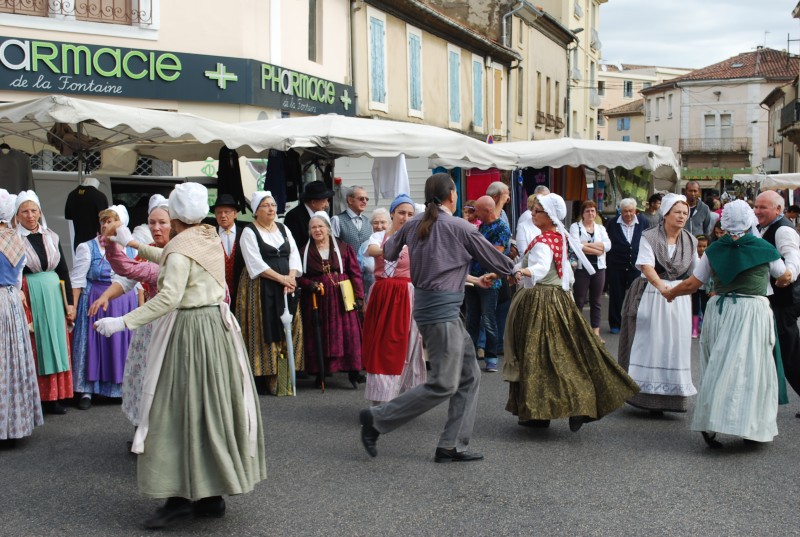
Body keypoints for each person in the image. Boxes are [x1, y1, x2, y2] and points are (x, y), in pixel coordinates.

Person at [94, 183, 266, 529]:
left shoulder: (182, 247)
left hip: (189, 332)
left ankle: (177, 498)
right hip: (216, 331)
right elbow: (171, 256)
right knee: (211, 409)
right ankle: (211, 495)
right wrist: (133, 244)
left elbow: (168, 295)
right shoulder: (207, 237)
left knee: (173, 410)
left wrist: (122, 322)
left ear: (173, 215)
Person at [358, 173, 515, 463]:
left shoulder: (414, 223)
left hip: (436, 309)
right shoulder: (459, 226)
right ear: (451, 196)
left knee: (469, 376)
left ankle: (450, 445)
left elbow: (389, 252)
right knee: (444, 383)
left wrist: (400, 228)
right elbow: (495, 258)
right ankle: (377, 418)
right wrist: (516, 270)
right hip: (442, 312)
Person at [504, 193, 639, 431]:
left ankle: (545, 411)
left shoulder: (545, 241)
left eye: (537, 211)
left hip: (541, 301)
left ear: (550, 215)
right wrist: (513, 268)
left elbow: (540, 267)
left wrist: (522, 273)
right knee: (562, 355)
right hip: (559, 299)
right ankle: (547, 411)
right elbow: (563, 269)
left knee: (537, 357)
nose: (533, 214)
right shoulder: (559, 237)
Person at [663, 200, 792, 448]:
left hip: (720, 310)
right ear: (749, 222)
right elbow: (783, 275)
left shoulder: (714, 249)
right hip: (751, 312)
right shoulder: (764, 248)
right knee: (750, 368)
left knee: (718, 366)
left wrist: (671, 293)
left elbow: (693, 283)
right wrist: (789, 270)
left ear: (724, 222)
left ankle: (712, 423)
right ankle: (749, 428)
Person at [89, 194, 171, 427]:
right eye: (152, 222)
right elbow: (127, 280)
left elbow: (134, 271)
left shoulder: (178, 251)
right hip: (151, 323)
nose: (156, 228)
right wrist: (106, 295)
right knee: (144, 376)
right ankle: (143, 428)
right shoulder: (149, 249)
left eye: (162, 223)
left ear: (173, 223)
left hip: (174, 322)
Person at [618, 193, 698, 414]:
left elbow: (696, 271)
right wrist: (662, 287)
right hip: (651, 295)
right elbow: (646, 265)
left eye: (685, 213)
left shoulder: (690, 240)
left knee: (674, 344)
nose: (682, 216)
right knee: (650, 343)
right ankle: (644, 396)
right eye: (677, 212)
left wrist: (685, 288)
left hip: (678, 298)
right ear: (666, 214)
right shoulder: (650, 236)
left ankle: (670, 397)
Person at [69, 205, 138, 410]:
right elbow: (77, 280)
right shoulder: (87, 247)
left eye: (111, 221)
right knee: (94, 344)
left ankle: (118, 390)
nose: (106, 225)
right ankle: (88, 390)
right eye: (104, 221)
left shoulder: (132, 248)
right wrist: (73, 307)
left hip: (124, 301)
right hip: (96, 300)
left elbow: (139, 281)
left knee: (120, 345)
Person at [236, 191, 303, 396]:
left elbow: (294, 254)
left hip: (285, 284)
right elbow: (255, 263)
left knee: (287, 326)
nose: (271, 208)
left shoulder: (283, 228)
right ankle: (269, 375)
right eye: (266, 205)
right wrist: (281, 278)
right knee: (265, 327)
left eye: (273, 205)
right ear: (256, 211)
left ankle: (285, 376)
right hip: (261, 286)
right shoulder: (249, 232)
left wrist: (291, 278)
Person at [16, 190, 75, 415]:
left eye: (34, 210)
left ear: (40, 212)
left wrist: (69, 302)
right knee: (37, 344)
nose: (30, 216)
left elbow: (62, 270)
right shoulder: (15, 238)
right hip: (30, 292)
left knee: (57, 343)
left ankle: (55, 397)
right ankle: (37, 398)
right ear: (17, 215)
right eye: (25, 211)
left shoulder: (51, 235)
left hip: (53, 293)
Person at [362, 194, 425, 403]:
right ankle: (380, 397)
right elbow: (371, 251)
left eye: (409, 214)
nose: (405, 217)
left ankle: (403, 397)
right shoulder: (379, 237)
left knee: (407, 345)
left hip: (406, 295)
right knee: (381, 345)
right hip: (383, 295)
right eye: (401, 212)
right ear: (392, 214)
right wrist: (393, 247)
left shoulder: (417, 239)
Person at [297, 211, 365, 388]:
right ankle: (321, 371)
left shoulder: (343, 247)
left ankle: (353, 371)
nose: (317, 230)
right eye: (313, 227)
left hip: (343, 295)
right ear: (309, 231)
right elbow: (299, 276)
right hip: (318, 298)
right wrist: (310, 284)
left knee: (349, 334)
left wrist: (359, 296)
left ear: (328, 229)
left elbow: (355, 272)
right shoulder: (304, 251)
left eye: (320, 226)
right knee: (320, 334)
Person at [0, 189, 43, 446]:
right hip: (11, 301)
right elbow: (17, 280)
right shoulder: (16, 240)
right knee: (12, 362)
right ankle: (14, 423)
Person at [754, 191, 800, 414]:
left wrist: (789, 273)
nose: (757, 211)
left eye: (763, 207)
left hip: (786, 299)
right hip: (776, 298)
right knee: (783, 350)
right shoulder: (763, 227)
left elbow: (793, 256)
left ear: (779, 210)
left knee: (787, 353)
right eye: (756, 206)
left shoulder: (782, 229)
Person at [465, 195, 511, 373]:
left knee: (489, 319)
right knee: (471, 320)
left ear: (488, 211)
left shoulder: (502, 228)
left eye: (477, 210)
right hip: (473, 279)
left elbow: (495, 254)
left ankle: (491, 357)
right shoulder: (482, 225)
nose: (474, 213)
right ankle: (470, 359)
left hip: (490, 280)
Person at [569, 200, 611, 341]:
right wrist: (597, 249)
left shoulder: (600, 228)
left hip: (599, 268)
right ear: (582, 214)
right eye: (587, 211)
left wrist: (587, 246)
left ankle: (595, 333)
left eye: (593, 211)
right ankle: (577, 332)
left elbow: (608, 245)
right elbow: (575, 245)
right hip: (582, 269)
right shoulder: (575, 227)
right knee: (579, 300)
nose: (590, 213)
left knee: (596, 301)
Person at [605, 198, 643, 334]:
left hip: (636, 265)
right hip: (616, 264)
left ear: (635, 211)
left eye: (631, 211)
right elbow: (607, 242)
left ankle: (634, 323)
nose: (628, 214)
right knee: (616, 295)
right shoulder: (612, 223)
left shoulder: (643, 223)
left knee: (636, 296)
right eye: (625, 211)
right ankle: (615, 323)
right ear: (620, 211)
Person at [211, 193, 244, 309]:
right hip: (216, 294)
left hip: (241, 292)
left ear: (235, 214)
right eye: (219, 212)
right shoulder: (209, 235)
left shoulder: (245, 234)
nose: (223, 216)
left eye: (227, 212)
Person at [283, 180, 333, 251]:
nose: (327, 205)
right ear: (313, 202)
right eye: (324, 201)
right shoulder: (293, 217)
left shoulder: (322, 215)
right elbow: (294, 246)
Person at [358, 208, 389, 303]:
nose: (379, 226)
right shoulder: (364, 246)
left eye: (383, 222)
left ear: (390, 224)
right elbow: (358, 275)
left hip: (392, 295)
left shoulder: (396, 244)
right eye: (375, 223)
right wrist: (362, 301)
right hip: (371, 298)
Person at [332, 185, 372, 254]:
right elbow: (332, 246)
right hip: (345, 264)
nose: (365, 201)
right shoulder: (337, 220)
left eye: (366, 199)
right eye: (361, 199)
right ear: (350, 200)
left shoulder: (368, 221)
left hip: (365, 264)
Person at [690, 235, 709, 338]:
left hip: (705, 287)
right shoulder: (693, 257)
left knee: (706, 307)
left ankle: (705, 328)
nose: (701, 249)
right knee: (695, 307)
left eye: (704, 246)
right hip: (695, 287)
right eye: (699, 246)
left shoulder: (708, 256)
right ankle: (695, 328)